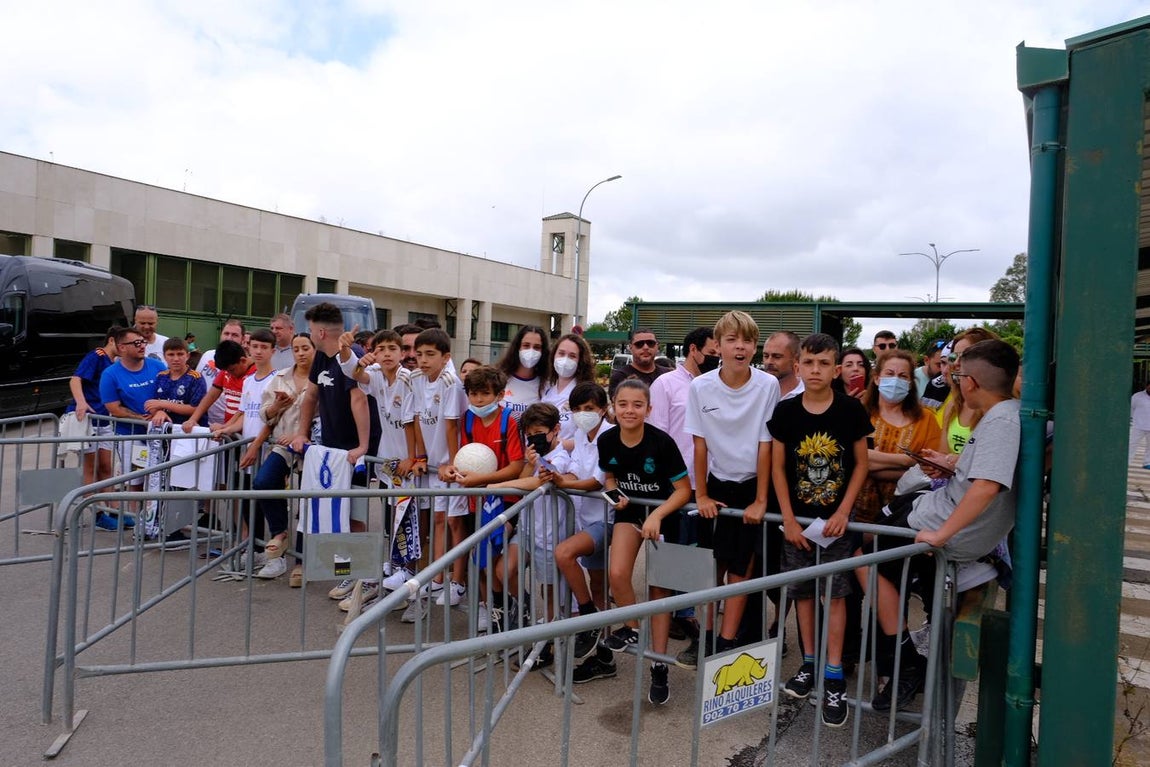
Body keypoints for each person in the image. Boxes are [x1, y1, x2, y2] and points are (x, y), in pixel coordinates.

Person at [863, 339, 1021, 712]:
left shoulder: (1001, 421)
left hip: (936, 521)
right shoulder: (1004, 415)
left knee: (867, 554)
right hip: (931, 508)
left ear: (972, 383)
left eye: (960, 373)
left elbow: (986, 486)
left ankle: (909, 662)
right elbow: (978, 474)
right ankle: (909, 659)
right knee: (879, 552)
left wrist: (941, 535)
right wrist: (951, 464)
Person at [770, 332, 872, 729]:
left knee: (837, 595)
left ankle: (834, 674)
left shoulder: (850, 411)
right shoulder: (786, 412)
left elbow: (861, 463)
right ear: (798, 366)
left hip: (834, 523)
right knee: (804, 594)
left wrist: (844, 512)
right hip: (797, 522)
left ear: (836, 369)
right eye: (809, 364)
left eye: (824, 364)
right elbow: (778, 467)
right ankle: (809, 663)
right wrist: (789, 519)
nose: (815, 371)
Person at [686, 311, 780, 656]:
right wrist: (703, 494)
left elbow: (765, 444)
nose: (740, 347)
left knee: (741, 573)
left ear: (754, 347)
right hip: (715, 484)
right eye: (731, 340)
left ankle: (726, 644)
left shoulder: (767, 385)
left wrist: (760, 499)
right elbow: (700, 444)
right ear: (718, 346)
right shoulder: (700, 386)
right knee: (713, 570)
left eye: (747, 341)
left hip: (752, 486)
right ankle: (707, 638)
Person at [598, 379, 692, 706]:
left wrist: (658, 515)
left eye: (637, 405)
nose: (629, 410)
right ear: (613, 407)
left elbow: (685, 490)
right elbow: (609, 479)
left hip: (667, 515)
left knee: (660, 590)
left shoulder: (662, 443)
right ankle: (632, 629)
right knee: (618, 574)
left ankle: (659, 665)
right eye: (622, 404)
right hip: (632, 513)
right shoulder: (607, 440)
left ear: (648, 409)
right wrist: (615, 497)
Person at [290, 303, 372, 597]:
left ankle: (359, 577)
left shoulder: (353, 356)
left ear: (321, 331)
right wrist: (301, 433)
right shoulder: (321, 358)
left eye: (311, 330)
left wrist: (362, 446)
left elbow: (359, 400)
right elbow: (311, 395)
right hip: (330, 450)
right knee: (336, 513)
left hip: (356, 452)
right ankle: (345, 572)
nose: (310, 335)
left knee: (355, 515)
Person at [649, 325, 717, 668]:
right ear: (694, 350)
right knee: (673, 548)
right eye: (712, 350)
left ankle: (686, 611)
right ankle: (674, 612)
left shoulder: (714, 384)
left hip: (707, 485)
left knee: (696, 549)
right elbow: (658, 433)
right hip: (675, 483)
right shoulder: (665, 384)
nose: (717, 356)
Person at [339, 329, 419, 597]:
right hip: (387, 460)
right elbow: (354, 374)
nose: (386, 353)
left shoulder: (408, 380)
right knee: (390, 517)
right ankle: (396, 564)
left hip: (409, 462)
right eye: (381, 348)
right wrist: (348, 353)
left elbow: (411, 422)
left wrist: (412, 456)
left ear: (401, 353)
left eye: (392, 349)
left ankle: (410, 570)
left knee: (409, 519)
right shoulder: (374, 375)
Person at [547, 383, 614, 681]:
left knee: (564, 553)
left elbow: (596, 482)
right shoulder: (577, 435)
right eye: (577, 409)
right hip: (583, 519)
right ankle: (604, 656)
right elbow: (563, 460)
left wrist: (563, 482)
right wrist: (554, 471)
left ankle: (587, 614)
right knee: (599, 587)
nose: (583, 414)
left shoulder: (610, 436)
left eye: (589, 409)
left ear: (602, 408)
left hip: (605, 519)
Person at [250, 332, 316, 584]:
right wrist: (277, 406)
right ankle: (279, 534)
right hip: (282, 446)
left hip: (312, 449)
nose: (300, 353)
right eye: (297, 348)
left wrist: (302, 435)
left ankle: (300, 562)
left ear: (314, 349)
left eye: (305, 348)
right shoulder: (279, 378)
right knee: (263, 482)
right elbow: (265, 416)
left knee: (305, 505)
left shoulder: (323, 378)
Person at [406, 327, 463, 611]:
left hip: (452, 465)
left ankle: (457, 581)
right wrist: (419, 455)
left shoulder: (451, 382)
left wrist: (452, 462)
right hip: (432, 464)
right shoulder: (416, 379)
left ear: (445, 357)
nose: (423, 360)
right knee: (439, 519)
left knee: (455, 522)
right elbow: (417, 418)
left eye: (431, 354)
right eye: (419, 354)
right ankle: (438, 576)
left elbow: (452, 424)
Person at [855, 350, 942, 522]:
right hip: (855, 516)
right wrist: (906, 461)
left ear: (910, 383)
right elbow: (848, 460)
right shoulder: (857, 413)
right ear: (877, 378)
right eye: (889, 374)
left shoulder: (926, 419)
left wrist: (871, 462)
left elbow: (928, 471)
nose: (895, 380)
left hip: (904, 517)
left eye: (903, 376)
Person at [99, 326, 168, 522]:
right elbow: (114, 408)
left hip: (161, 434)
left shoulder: (156, 366)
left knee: (161, 478)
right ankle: (138, 520)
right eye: (136, 343)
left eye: (143, 342)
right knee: (136, 480)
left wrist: (162, 410)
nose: (141, 346)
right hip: (131, 436)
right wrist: (141, 419)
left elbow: (169, 391)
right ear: (121, 348)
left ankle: (158, 519)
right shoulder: (110, 374)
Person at [66, 325, 121, 526]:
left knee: (106, 466)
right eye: (122, 343)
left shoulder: (116, 362)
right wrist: (81, 402)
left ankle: (113, 510)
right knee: (91, 466)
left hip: (105, 420)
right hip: (88, 419)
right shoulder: (97, 356)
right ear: (112, 341)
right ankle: (96, 513)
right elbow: (76, 379)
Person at [542, 333, 596, 440]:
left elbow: (590, 437)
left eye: (572, 356)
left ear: (580, 361)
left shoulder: (586, 394)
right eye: (561, 354)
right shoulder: (546, 389)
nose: (565, 360)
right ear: (554, 356)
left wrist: (555, 445)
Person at [194, 320, 246, 428]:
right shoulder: (208, 355)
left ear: (243, 339)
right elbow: (210, 393)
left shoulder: (244, 365)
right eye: (226, 333)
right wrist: (194, 418)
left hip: (231, 425)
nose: (229, 338)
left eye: (235, 335)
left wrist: (226, 427)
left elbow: (244, 409)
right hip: (206, 420)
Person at [146, 337, 206, 428]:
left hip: (188, 433)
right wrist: (159, 412)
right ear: (164, 356)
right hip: (165, 431)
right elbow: (152, 404)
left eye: (180, 354)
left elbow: (196, 409)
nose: (176, 359)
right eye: (171, 354)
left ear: (188, 356)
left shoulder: (196, 378)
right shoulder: (160, 377)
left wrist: (164, 404)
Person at [496, 324, 550, 414]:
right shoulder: (498, 378)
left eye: (537, 347)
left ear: (543, 351)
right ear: (517, 347)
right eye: (526, 345)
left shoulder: (546, 385)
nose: (531, 351)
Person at [608, 328, 670, 399]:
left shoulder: (668, 375)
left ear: (657, 346)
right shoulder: (620, 377)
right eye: (639, 344)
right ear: (630, 347)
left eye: (650, 343)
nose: (645, 347)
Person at [763, 331, 804, 400]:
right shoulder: (756, 391)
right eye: (766, 356)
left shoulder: (808, 394)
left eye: (777, 357)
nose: (769, 362)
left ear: (796, 359)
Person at [1130, 382, 1150, 467]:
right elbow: (1131, 408)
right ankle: (1127, 462)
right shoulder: (1137, 396)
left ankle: (1147, 463)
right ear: (1147, 386)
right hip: (1138, 425)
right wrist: (1133, 419)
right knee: (1132, 444)